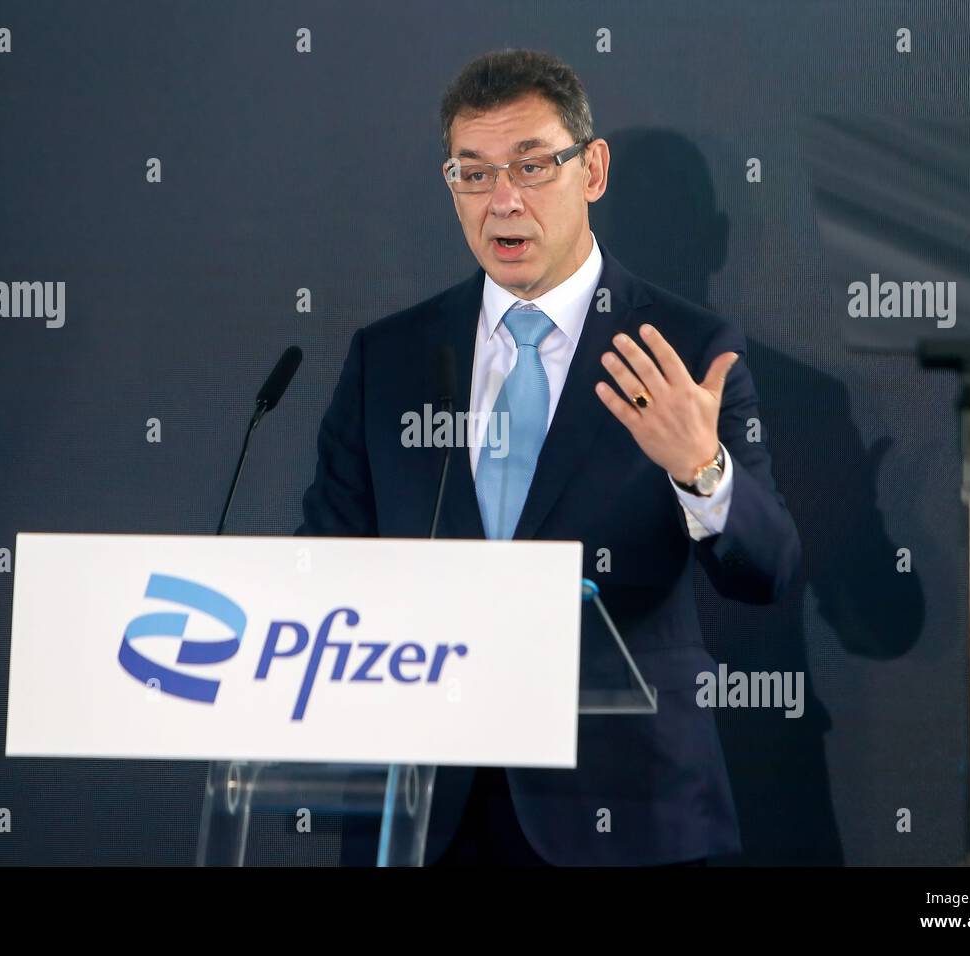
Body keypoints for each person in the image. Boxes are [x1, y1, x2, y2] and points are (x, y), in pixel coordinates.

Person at [297, 48, 801, 866]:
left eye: (533, 166)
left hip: (623, 807)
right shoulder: (389, 357)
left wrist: (702, 469)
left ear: (591, 169)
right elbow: (323, 564)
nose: (503, 201)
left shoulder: (688, 348)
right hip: (428, 816)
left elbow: (769, 570)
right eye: (474, 173)